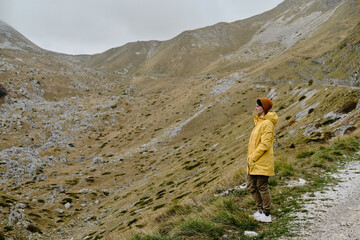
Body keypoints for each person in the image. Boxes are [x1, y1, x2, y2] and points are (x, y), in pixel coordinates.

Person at [247, 98, 278, 223]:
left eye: (258, 106)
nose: (256, 108)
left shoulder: (267, 124)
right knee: (251, 186)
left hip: (261, 160)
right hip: (254, 161)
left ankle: (266, 213)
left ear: (264, 108)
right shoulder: (259, 122)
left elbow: (265, 144)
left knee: (262, 186)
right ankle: (260, 210)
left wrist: (253, 157)